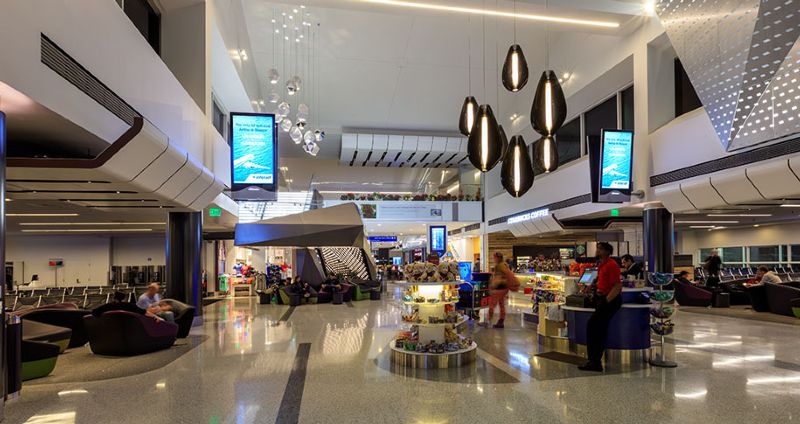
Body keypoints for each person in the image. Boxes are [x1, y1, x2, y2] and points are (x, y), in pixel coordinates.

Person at [579, 242, 622, 372]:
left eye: (600, 249)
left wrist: (606, 301)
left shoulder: (612, 265)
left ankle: (595, 362)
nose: (597, 251)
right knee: (595, 328)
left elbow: (617, 286)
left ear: (607, 252)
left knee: (595, 328)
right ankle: (593, 360)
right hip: (602, 298)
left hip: (610, 300)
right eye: (597, 248)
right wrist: (590, 286)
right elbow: (598, 280)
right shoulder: (601, 264)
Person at [488, 252, 514, 329]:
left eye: (494, 257)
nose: (494, 259)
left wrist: (492, 286)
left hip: (499, 288)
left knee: (492, 304)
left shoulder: (500, 266)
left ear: (498, 258)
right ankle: (501, 321)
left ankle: (488, 321)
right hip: (504, 288)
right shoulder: (505, 265)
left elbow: (498, 278)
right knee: (502, 305)